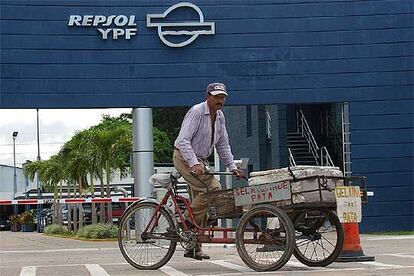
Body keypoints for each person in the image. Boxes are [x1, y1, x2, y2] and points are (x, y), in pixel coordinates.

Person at [173, 82, 243, 260]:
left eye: (223, 97)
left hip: (200, 161)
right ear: (208, 96)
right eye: (217, 96)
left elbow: (222, 145)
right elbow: (183, 140)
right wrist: (193, 162)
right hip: (184, 157)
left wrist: (233, 167)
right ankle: (187, 221)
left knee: (201, 203)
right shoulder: (197, 111)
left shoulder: (220, 117)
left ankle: (193, 247)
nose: (220, 100)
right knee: (213, 188)